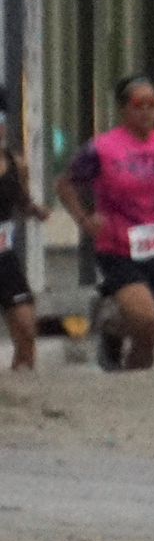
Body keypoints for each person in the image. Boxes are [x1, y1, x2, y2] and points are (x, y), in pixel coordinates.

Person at [56, 76, 154, 372]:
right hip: (117, 246)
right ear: (123, 109)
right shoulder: (102, 148)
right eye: (139, 104)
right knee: (146, 318)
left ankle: (126, 361)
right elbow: (65, 184)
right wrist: (85, 220)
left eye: (153, 104)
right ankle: (121, 340)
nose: (147, 112)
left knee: (149, 334)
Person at [0, 98, 49, 370]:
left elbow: (22, 200)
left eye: (0, 123)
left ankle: (23, 386)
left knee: (27, 328)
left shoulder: (15, 163)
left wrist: (35, 210)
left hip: (4, 258)